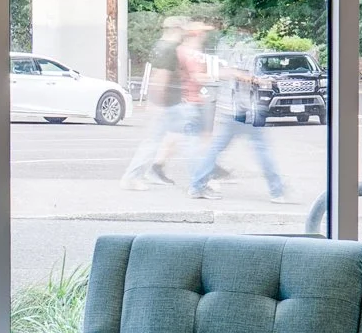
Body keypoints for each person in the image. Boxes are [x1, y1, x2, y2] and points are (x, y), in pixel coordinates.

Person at [187, 45, 285, 201]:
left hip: (236, 111)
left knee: (217, 149)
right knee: (262, 150)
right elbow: (231, 72)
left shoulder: (232, 48)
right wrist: (257, 80)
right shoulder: (239, 49)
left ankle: (197, 185)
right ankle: (278, 191)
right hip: (240, 110)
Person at [122, 13, 206, 189]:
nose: (184, 33)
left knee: (166, 139)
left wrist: (150, 100)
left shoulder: (159, 45)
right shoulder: (170, 48)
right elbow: (162, 76)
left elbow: (154, 73)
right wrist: (156, 103)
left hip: (168, 103)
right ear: (176, 29)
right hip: (168, 103)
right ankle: (201, 181)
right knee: (182, 140)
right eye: (182, 29)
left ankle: (139, 174)